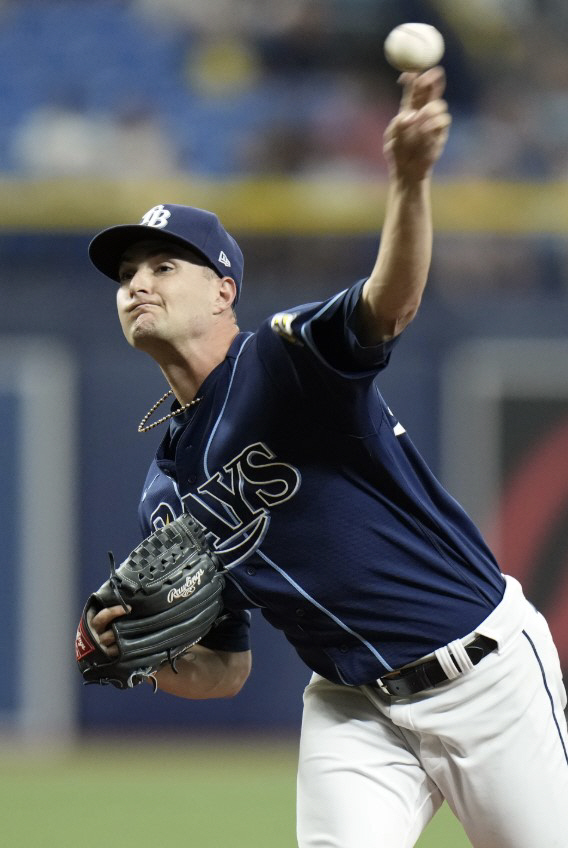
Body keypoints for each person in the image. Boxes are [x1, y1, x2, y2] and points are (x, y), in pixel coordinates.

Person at [86, 67, 568, 848]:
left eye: (163, 267)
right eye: (127, 274)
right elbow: (225, 669)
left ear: (223, 290)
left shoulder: (281, 361)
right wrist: (143, 658)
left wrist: (409, 182)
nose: (137, 285)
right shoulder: (164, 495)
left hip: (482, 676)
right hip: (353, 707)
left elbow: (390, 302)